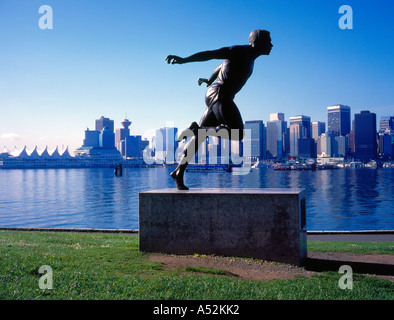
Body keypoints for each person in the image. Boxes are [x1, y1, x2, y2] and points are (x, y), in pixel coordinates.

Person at [165, 29, 273, 190]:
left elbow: (221, 66)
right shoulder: (240, 51)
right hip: (220, 94)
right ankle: (197, 129)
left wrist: (209, 80)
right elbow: (211, 54)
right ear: (256, 42)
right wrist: (183, 60)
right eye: (268, 40)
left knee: (199, 137)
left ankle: (178, 172)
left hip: (218, 94)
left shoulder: (250, 58)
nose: (271, 44)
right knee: (238, 133)